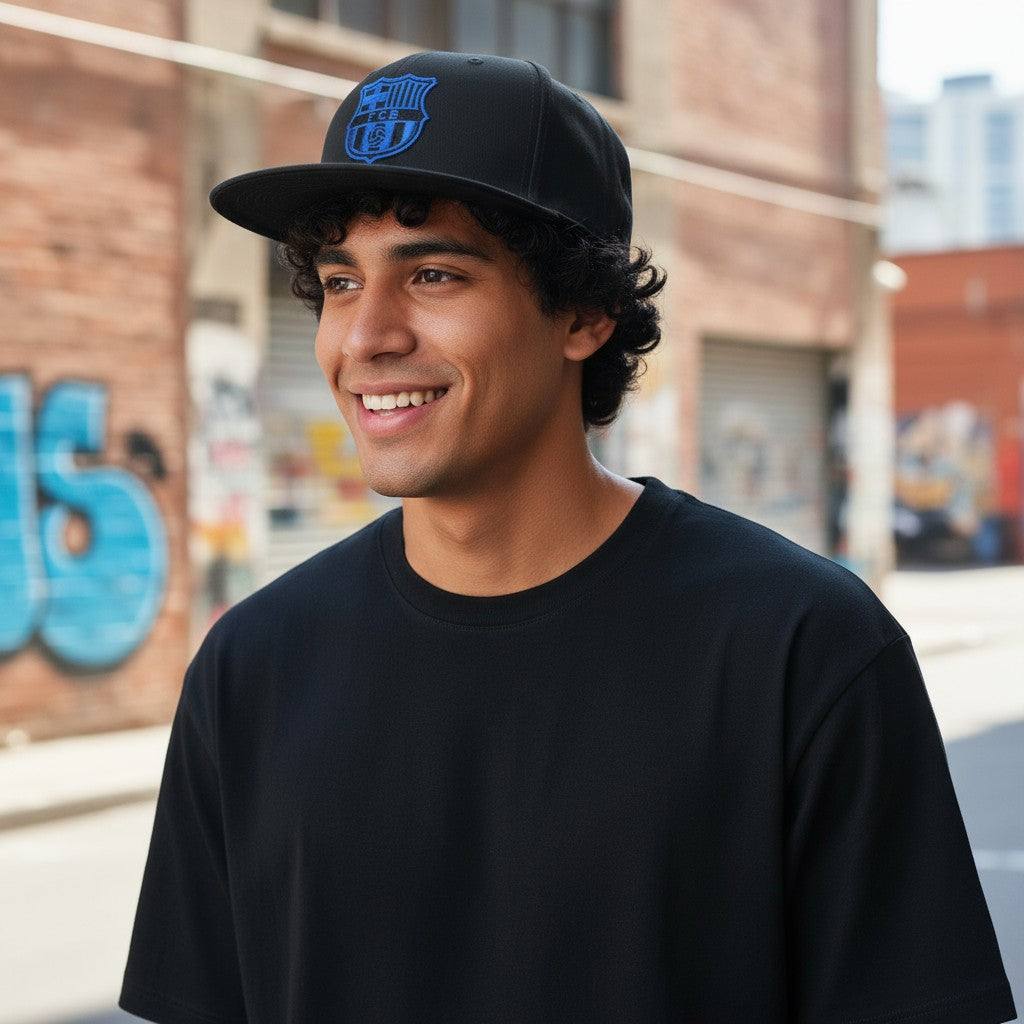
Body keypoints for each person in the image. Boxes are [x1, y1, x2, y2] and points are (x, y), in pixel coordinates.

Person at [118, 51, 1017, 1024]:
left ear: (585, 312)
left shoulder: (799, 645)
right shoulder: (252, 666)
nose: (363, 335)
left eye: (431, 272)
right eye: (339, 280)